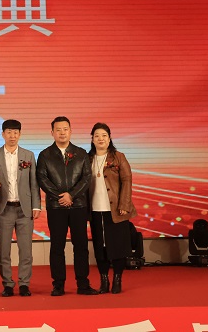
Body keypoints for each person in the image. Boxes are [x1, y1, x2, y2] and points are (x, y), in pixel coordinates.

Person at [36, 116, 97, 296]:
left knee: (81, 245)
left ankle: (83, 283)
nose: (62, 133)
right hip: (56, 207)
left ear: (70, 131)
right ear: (52, 132)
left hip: (78, 206)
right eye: (58, 130)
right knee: (57, 246)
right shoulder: (45, 155)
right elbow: (42, 178)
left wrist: (72, 195)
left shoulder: (81, 153)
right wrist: (59, 197)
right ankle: (58, 284)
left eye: (65, 129)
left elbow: (86, 177)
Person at [0, 119, 41, 297]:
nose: (12, 136)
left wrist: (36, 206)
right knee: (3, 250)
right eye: (9, 132)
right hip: (3, 209)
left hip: (24, 209)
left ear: (20, 134)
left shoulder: (28, 155)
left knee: (26, 250)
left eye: (16, 132)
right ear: (3, 134)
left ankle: (24, 283)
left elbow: (34, 183)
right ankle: (8, 284)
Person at [88, 122, 136, 294]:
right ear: (92, 139)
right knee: (100, 247)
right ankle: (104, 279)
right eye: (97, 136)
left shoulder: (118, 157)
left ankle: (117, 278)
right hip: (95, 209)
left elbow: (127, 180)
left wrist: (124, 204)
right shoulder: (87, 158)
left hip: (116, 209)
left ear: (109, 139)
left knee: (118, 246)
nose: (100, 139)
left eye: (104, 135)